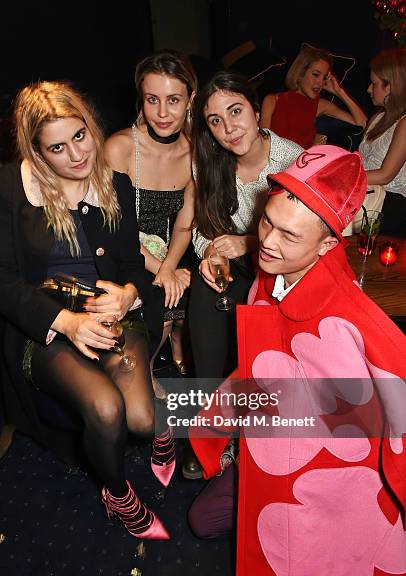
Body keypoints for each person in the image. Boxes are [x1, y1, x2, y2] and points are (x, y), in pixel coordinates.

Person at [189, 145, 406, 576]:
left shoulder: (355, 319)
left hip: (328, 479)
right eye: (267, 221)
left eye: (289, 235)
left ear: (328, 245)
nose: (267, 241)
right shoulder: (270, 272)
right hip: (267, 444)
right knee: (203, 521)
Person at [0, 81, 175, 540]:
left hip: (117, 314)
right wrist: (68, 322)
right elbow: (3, 282)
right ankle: (118, 496)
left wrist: (129, 293)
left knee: (140, 417)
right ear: (37, 152)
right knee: (105, 408)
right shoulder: (9, 189)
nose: (77, 155)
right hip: (50, 327)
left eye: (80, 136)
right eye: (57, 147)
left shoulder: (116, 184)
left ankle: (159, 414)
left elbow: (136, 266)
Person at [189, 71, 303, 379]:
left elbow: (306, 242)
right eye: (215, 121)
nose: (228, 129)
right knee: (206, 288)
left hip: (284, 274)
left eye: (235, 111)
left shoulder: (293, 161)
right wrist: (211, 251)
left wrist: (251, 242)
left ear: (255, 111)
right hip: (239, 268)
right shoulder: (207, 164)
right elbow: (202, 227)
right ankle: (208, 406)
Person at [105, 50, 197, 396]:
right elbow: (113, 227)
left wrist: (170, 265)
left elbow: (186, 221)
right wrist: (162, 270)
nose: (162, 113)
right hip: (128, 248)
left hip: (174, 245)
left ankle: (175, 332)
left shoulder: (195, 151)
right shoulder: (120, 148)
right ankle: (147, 366)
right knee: (159, 292)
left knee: (199, 282)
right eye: (152, 99)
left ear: (191, 99)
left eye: (173, 100)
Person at [260, 45, 367, 149]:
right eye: (316, 74)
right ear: (300, 72)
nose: (320, 82)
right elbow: (262, 144)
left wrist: (339, 91)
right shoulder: (272, 100)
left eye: (324, 77)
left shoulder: (321, 105)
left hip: (303, 165)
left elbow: (362, 123)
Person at [359, 48, 406, 237]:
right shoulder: (379, 117)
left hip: (389, 203)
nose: (369, 89)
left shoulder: (404, 122)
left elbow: (385, 175)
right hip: (367, 194)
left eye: (374, 83)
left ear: (392, 86)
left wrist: (344, 177)